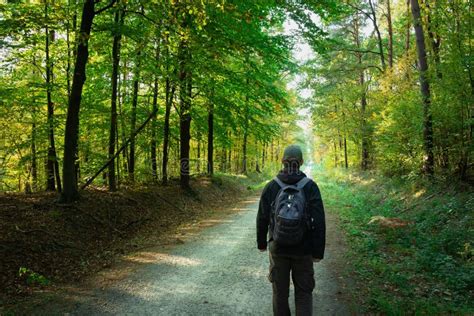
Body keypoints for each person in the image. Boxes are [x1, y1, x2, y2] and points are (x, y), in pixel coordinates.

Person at [256, 145, 326, 316]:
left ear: (282, 161)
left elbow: (262, 217)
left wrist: (261, 243)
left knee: (280, 294)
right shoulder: (310, 187)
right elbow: (319, 221)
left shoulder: (271, 186)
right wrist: (318, 252)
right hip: (303, 249)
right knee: (303, 293)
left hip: (278, 248)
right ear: (301, 162)